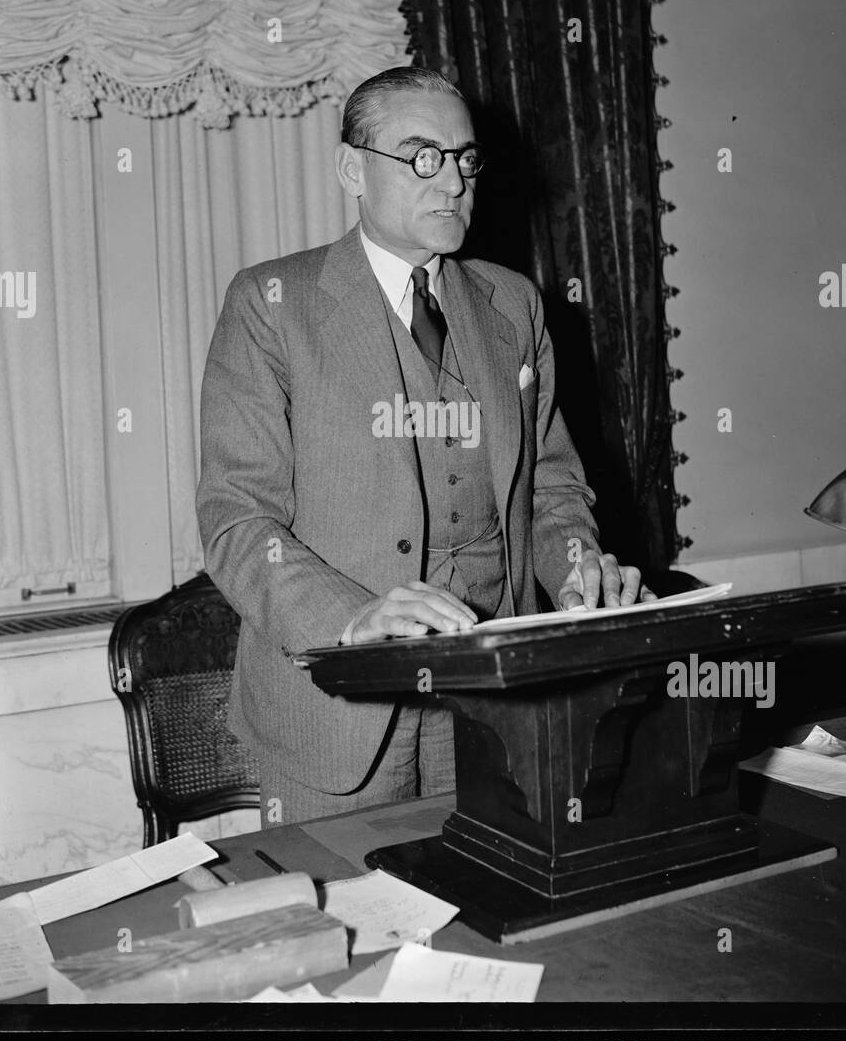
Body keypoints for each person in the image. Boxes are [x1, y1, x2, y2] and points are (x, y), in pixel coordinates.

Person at [197, 66, 651, 824]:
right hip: (332, 712)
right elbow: (235, 520)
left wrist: (577, 572)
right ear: (352, 168)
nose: (451, 182)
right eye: (421, 157)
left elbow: (552, 487)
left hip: (487, 704)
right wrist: (352, 620)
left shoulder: (512, 302)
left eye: (464, 159)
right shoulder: (272, 305)